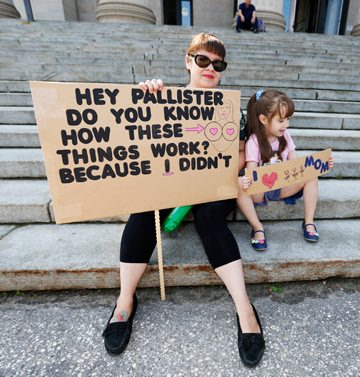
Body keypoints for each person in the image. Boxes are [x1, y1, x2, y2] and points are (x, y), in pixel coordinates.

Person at [102, 33, 266, 368]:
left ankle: (245, 308)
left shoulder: (230, 110)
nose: (210, 68)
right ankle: (124, 301)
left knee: (209, 218)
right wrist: (146, 97)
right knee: (144, 211)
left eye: (218, 64)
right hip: (168, 182)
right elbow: (137, 135)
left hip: (214, 183)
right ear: (188, 61)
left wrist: (212, 174)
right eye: (203, 60)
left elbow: (237, 156)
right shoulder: (164, 97)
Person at [237, 90, 334, 251]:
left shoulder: (285, 136)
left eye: (288, 119)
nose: (286, 125)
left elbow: (296, 164)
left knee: (311, 175)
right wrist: (247, 180)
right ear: (263, 119)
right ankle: (257, 227)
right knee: (239, 184)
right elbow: (251, 171)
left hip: (282, 187)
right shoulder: (254, 141)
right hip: (261, 190)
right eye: (281, 120)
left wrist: (319, 164)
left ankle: (309, 221)